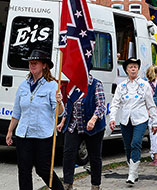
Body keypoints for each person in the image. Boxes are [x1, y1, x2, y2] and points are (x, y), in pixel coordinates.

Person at [6, 49, 65, 190]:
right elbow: (16, 112)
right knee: (24, 171)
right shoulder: (23, 86)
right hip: (23, 135)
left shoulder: (52, 86)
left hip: (42, 136)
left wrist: (59, 102)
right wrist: (10, 131)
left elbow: (59, 113)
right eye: (30, 63)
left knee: (43, 169)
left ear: (44, 65)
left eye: (35, 63)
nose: (32, 65)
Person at [109, 57, 157, 184]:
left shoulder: (144, 85)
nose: (133, 69)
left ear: (138, 69)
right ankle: (134, 172)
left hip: (140, 119)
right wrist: (113, 118)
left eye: (135, 67)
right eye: (130, 67)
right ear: (126, 69)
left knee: (136, 143)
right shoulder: (121, 86)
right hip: (125, 120)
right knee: (128, 146)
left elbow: (151, 104)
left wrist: (155, 122)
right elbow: (115, 103)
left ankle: (131, 174)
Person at [57, 73, 106, 190]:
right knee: (68, 153)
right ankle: (68, 183)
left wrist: (93, 119)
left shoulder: (96, 84)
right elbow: (69, 106)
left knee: (94, 157)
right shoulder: (73, 85)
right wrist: (63, 121)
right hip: (74, 125)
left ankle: (95, 185)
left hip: (93, 127)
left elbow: (101, 106)